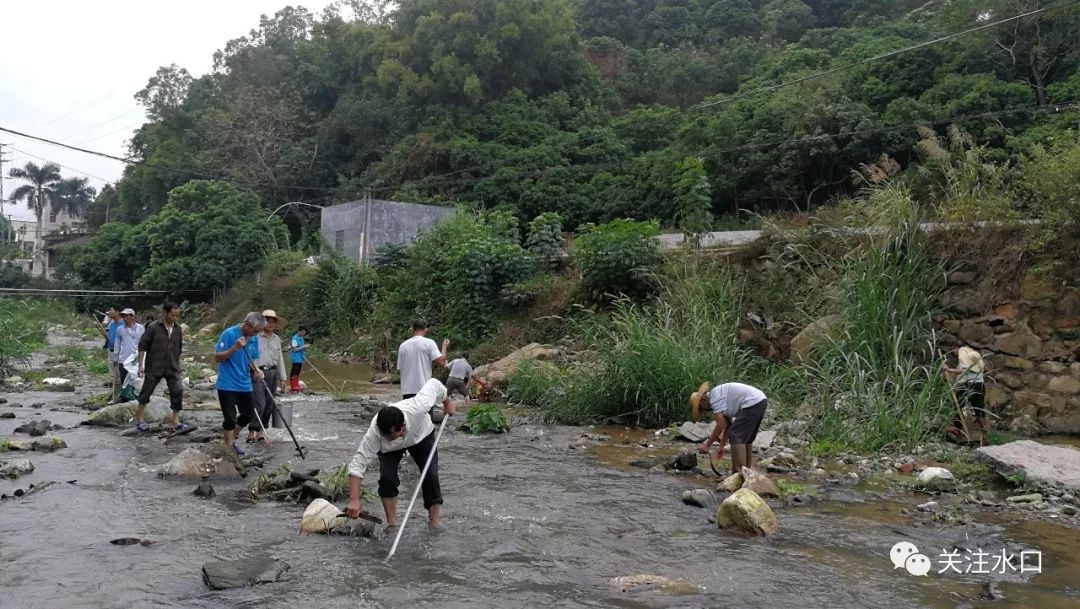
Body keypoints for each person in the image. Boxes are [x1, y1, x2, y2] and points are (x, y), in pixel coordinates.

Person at [346, 378, 456, 528]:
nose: (390, 439)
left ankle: (434, 522)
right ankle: (392, 524)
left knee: (430, 475)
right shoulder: (374, 434)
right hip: (389, 452)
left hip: (421, 436)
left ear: (402, 427)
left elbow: (434, 384)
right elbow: (358, 464)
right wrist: (354, 500)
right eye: (387, 437)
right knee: (387, 479)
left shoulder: (418, 407)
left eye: (392, 436)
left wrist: (446, 401)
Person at [689, 381, 769, 474]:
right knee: (746, 439)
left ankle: (739, 474)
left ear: (703, 399)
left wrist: (707, 445)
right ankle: (747, 472)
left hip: (752, 402)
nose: (704, 411)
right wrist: (721, 446)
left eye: (701, 408)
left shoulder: (714, 398)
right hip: (760, 400)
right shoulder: (718, 396)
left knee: (735, 435)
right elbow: (728, 424)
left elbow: (720, 424)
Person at [215, 312, 266, 455]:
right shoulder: (229, 334)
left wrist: (257, 370)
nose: (256, 334)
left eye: (258, 332)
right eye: (255, 331)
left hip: (244, 383)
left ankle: (232, 437)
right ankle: (229, 447)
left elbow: (251, 358)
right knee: (230, 417)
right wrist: (235, 347)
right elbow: (217, 357)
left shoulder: (253, 339)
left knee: (248, 415)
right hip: (227, 383)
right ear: (246, 324)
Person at [135, 302, 186, 432]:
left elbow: (178, 347)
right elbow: (142, 346)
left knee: (178, 390)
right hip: (154, 366)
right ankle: (140, 419)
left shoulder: (177, 329)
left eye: (177, 315)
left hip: (172, 367)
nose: (175, 318)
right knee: (146, 392)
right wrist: (141, 365)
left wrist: (177, 361)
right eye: (173, 315)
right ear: (165, 313)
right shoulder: (153, 327)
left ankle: (175, 420)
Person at [248, 309, 288, 443]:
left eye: (273, 322)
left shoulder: (276, 339)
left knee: (269, 404)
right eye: (268, 321)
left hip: (273, 373)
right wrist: (253, 370)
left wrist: (283, 378)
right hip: (258, 372)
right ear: (262, 322)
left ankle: (261, 431)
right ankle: (252, 431)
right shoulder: (255, 337)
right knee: (259, 403)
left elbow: (280, 358)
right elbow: (249, 356)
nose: (270, 324)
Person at [397, 319, 449, 400]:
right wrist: (444, 347)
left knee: (410, 412)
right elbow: (441, 362)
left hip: (407, 391)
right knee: (426, 413)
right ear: (426, 329)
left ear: (412, 329)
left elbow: (400, 368)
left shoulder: (403, 346)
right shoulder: (429, 343)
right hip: (424, 390)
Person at [943, 347, 987, 440]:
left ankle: (957, 429)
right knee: (979, 408)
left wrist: (949, 370)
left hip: (971, 384)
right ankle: (983, 433)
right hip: (980, 384)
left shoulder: (965, 356)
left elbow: (963, 370)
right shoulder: (975, 357)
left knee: (958, 404)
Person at [113, 308, 144, 401]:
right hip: (124, 359)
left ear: (132, 317)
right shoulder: (120, 329)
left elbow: (144, 343)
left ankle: (136, 399)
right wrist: (115, 357)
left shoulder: (141, 328)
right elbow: (117, 344)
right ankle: (125, 399)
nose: (124, 318)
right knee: (124, 381)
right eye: (123, 316)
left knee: (136, 380)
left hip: (136, 359)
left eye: (127, 316)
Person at [100, 307, 123, 404]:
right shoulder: (112, 323)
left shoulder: (123, 324)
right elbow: (108, 335)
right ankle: (115, 397)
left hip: (120, 353)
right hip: (111, 351)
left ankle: (121, 396)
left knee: (120, 375)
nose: (109, 312)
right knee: (114, 376)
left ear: (118, 312)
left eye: (111, 310)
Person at [289, 327, 309, 393]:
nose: (303, 334)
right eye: (303, 332)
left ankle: (296, 385)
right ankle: (293, 386)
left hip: (300, 358)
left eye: (304, 333)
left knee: (297, 372)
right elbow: (295, 349)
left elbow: (301, 347)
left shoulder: (301, 338)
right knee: (294, 372)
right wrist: (304, 347)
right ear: (299, 331)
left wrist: (304, 348)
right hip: (296, 358)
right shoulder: (294, 339)